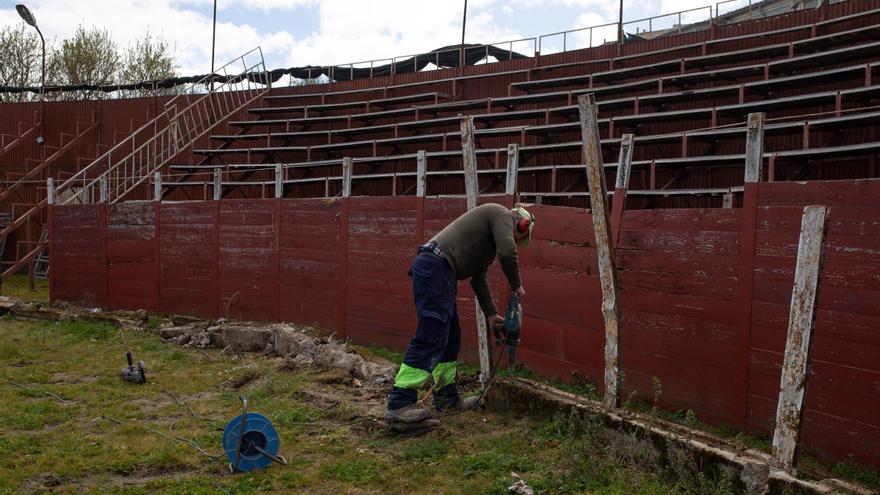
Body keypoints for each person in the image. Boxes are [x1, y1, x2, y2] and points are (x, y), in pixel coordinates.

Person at [385, 203, 535, 424]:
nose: (514, 239)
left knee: (451, 338)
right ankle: (400, 402)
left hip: (441, 273)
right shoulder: (503, 214)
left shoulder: (486, 246)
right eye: (517, 237)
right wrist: (516, 286)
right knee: (431, 335)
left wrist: (492, 315)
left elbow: (478, 280)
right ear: (521, 225)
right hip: (436, 268)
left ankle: (446, 398)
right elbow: (507, 250)